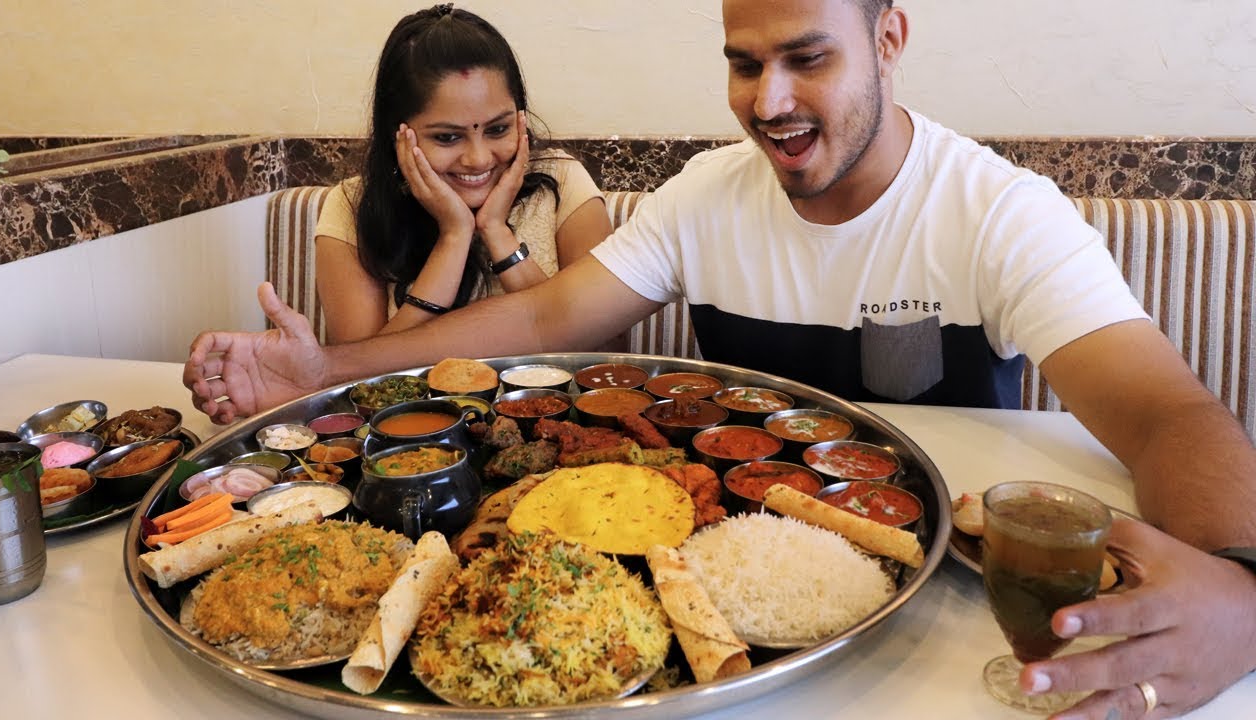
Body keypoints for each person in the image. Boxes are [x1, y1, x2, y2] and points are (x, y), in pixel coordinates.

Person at [187, 1, 1256, 716]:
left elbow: (1166, 415)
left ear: (888, 38)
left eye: (807, 57)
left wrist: (1242, 590)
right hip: (734, 646)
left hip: (938, 631)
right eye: (743, 65)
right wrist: (328, 371)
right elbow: (542, 319)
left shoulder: (996, 210)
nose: (768, 102)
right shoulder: (707, 193)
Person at [314, 4, 612, 344]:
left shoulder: (564, 184)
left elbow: (603, 356)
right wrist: (453, 238)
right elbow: (355, 379)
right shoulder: (352, 207)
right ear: (397, 134)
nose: (478, 158)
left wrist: (498, 233)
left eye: (498, 129)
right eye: (447, 137)